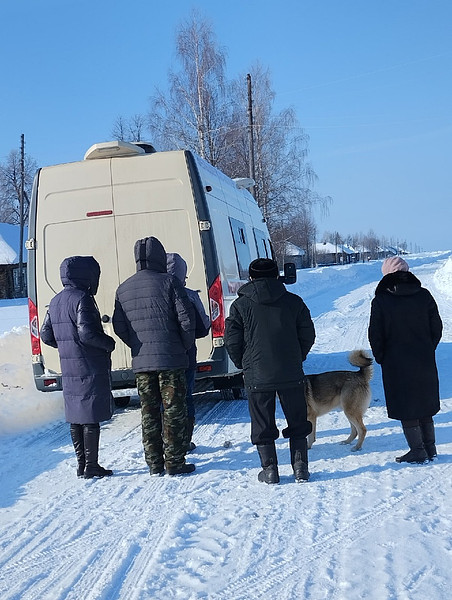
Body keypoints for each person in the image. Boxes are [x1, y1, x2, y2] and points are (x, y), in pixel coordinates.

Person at [224, 258, 316, 484]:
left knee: (262, 424)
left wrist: (244, 364)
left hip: (257, 375)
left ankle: (270, 470)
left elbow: (232, 340)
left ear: (250, 278)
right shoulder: (294, 302)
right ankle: (300, 468)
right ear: (277, 276)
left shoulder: (240, 306)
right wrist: (297, 357)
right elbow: (308, 334)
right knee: (297, 421)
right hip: (291, 373)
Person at [112, 236, 196, 476]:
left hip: (142, 362)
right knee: (173, 411)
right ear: (160, 256)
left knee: (148, 413)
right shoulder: (170, 282)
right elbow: (186, 320)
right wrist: (182, 346)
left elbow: (119, 326)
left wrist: (137, 345)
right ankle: (175, 462)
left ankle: (154, 463)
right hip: (171, 360)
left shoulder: (123, 288)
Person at [40, 256, 116, 479]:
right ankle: (92, 465)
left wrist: (66, 346)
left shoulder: (55, 301)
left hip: (68, 365)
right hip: (88, 364)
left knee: (76, 415)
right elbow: (87, 333)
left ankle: (81, 465)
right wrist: (108, 343)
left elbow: (45, 334)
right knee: (90, 415)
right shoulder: (83, 298)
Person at [368, 256, 443, 464]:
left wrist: (381, 356)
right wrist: (428, 347)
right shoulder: (424, 295)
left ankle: (417, 450)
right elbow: (437, 327)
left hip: (396, 362)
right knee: (425, 402)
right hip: (423, 358)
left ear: (387, 274)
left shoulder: (381, 300)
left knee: (406, 403)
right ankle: (430, 449)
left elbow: (375, 334)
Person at [166, 253, 211, 452]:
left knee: (163, 400)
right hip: (186, 356)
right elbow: (203, 328)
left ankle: (166, 440)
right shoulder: (190, 295)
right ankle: (185, 440)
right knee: (186, 398)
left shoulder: (155, 293)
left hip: (161, 358)